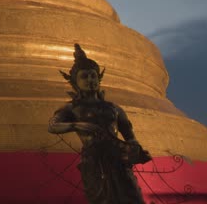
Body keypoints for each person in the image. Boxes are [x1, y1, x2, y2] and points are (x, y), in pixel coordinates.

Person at [48, 44, 152, 204]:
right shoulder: (73, 108)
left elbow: (130, 136)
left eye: (93, 76)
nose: (90, 80)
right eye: (84, 77)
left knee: (132, 197)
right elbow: (53, 126)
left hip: (118, 159)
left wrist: (134, 148)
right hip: (94, 160)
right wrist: (77, 125)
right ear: (75, 82)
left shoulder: (114, 109)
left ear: (99, 78)